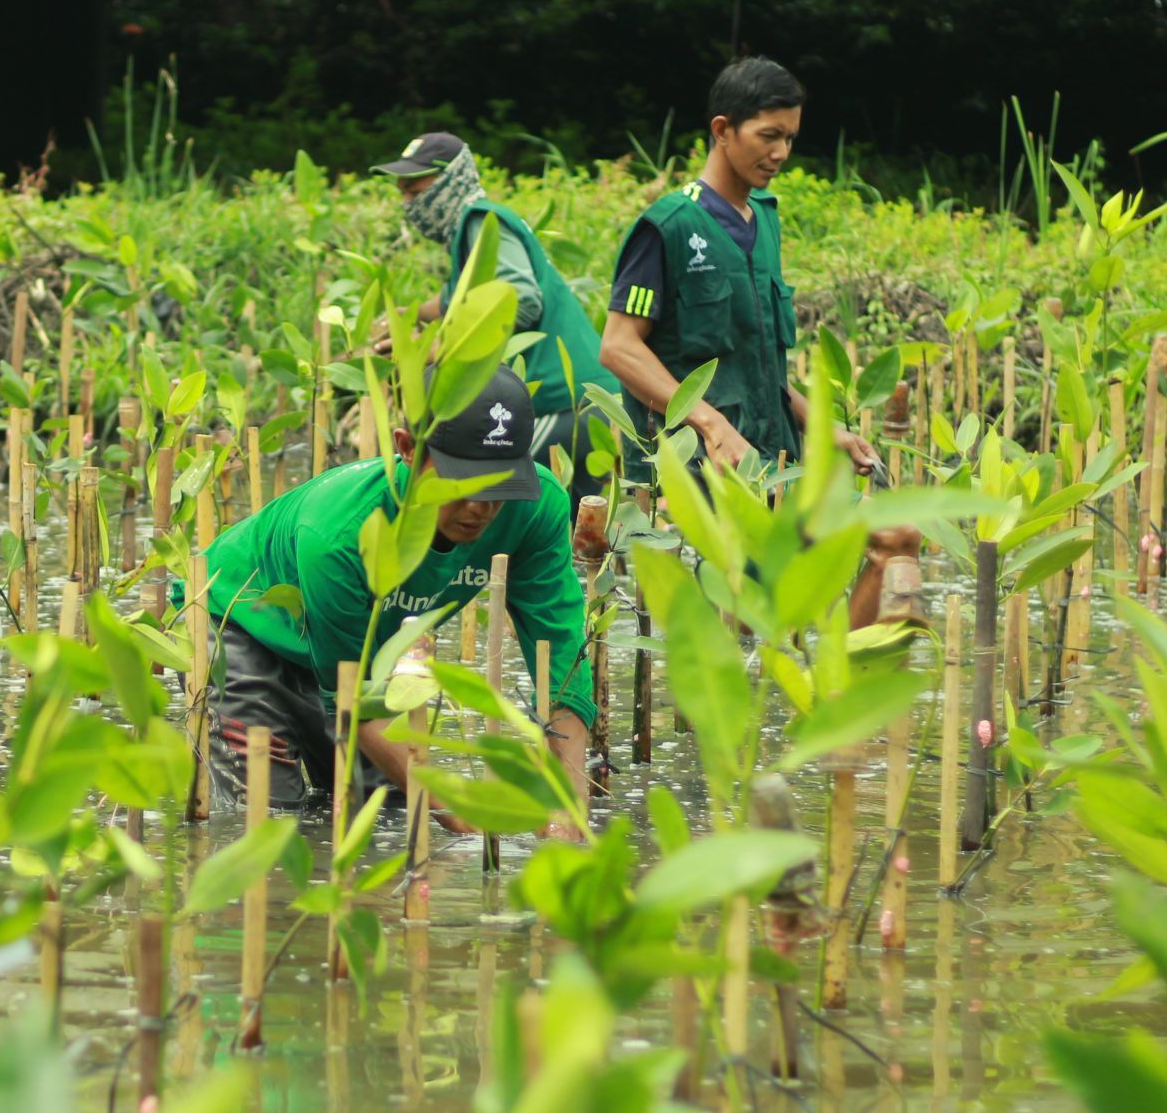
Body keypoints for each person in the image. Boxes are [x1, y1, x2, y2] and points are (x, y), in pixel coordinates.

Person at [193, 367, 594, 832]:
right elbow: (352, 701)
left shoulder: (537, 507)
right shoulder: (340, 534)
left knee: (383, 817)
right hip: (245, 624)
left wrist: (569, 798)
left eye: (500, 484)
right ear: (406, 448)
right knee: (269, 822)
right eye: (460, 481)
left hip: (360, 652)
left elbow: (561, 649)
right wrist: (458, 809)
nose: (481, 507)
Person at [597, 57, 920, 626]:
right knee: (747, 621)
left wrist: (821, 425)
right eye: (768, 136)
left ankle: (846, 696)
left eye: (790, 138)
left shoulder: (764, 219)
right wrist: (710, 424)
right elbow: (619, 348)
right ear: (723, 130)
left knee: (896, 537)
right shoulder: (667, 227)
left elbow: (756, 363)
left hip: (775, 456)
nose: (781, 154)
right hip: (699, 467)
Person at [373, 132, 622, 486]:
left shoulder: (483, 220)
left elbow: (520, 301)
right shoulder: (472, 233)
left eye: (415, 192)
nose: (408, 205)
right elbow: (461, 296)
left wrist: (435, 351)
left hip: (567, 404)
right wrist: (411, 315)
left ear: (451, 182)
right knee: (570, 529)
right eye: (402, 194)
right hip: (581, 404)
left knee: (487, 490)